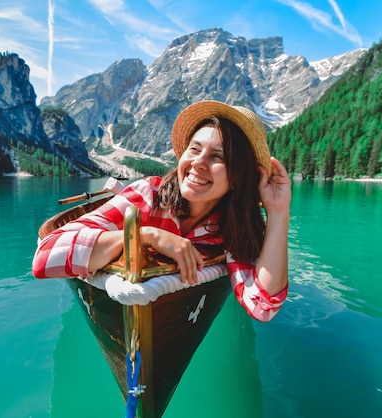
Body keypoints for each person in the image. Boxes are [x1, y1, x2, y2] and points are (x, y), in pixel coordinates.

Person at [32, 100, 291, 321]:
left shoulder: (231, 228)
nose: (198, 163)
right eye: (195, 149)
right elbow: (44, 256)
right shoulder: (147, 195)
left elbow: (263, 306)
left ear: (238, 177)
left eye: (218, 157)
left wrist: (279, 212)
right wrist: (145, 235)